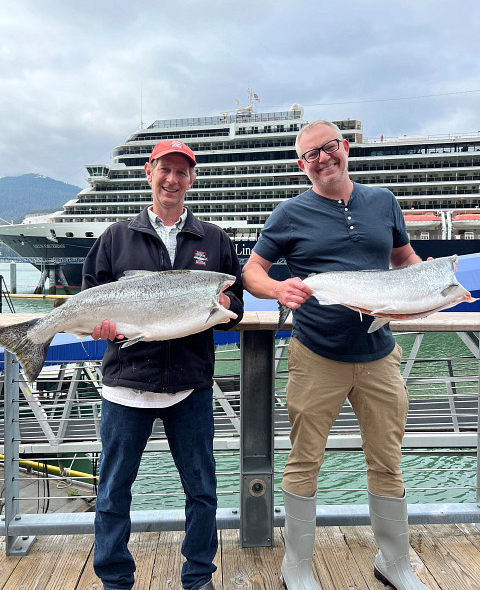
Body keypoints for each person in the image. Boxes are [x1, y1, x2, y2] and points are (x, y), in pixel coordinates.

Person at [242, 120, 430, 590]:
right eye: (311, 155)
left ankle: (395, 564)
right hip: (316, 355)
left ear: (344, 148)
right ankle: (297, 567)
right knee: (306, 459)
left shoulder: (383, 201)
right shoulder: (288, 214)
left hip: (379, 353)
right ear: (301, 166)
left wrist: (427, 283)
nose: (323, 159)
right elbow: (252, 273)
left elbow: (404, 260)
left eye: (329, 148)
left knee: (387, 459)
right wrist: (276, 290)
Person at [82, 139, 244, 590]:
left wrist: (229, 302)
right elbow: (91, 291)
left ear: (192, 179)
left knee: (202, 491)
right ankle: (114, 580)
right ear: (149, 173)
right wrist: (99, 325)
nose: (172, 180)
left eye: (182, 172)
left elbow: (238, 304)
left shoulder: (214, 239)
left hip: (189, 386)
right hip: (125, 387)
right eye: (165, 170)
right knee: (113, 492)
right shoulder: (116, 236)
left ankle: (197, 578)